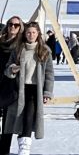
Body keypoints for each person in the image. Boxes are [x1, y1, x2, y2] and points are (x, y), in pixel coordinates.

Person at [2, 22, 54, 155]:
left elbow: (49, 73)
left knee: (28, 118)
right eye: (28, 32)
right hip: (19, 89)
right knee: (17, 117)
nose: (31, 35)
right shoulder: (19, 49)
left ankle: (24, 149)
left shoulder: (44, 50)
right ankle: (14, 146)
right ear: (25, 34)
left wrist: (47, 92)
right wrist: (12, 69)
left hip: (35, 90)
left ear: (38, 34)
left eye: (34, 33)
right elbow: (8, 67)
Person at [0, 16, 23, 155]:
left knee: (8, 122)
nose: (12, 27)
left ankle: (4, 150)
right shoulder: (0, 42)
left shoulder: (21, 45)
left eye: (16, 25)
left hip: (12, 86)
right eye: (10, 24)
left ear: (20, 28)